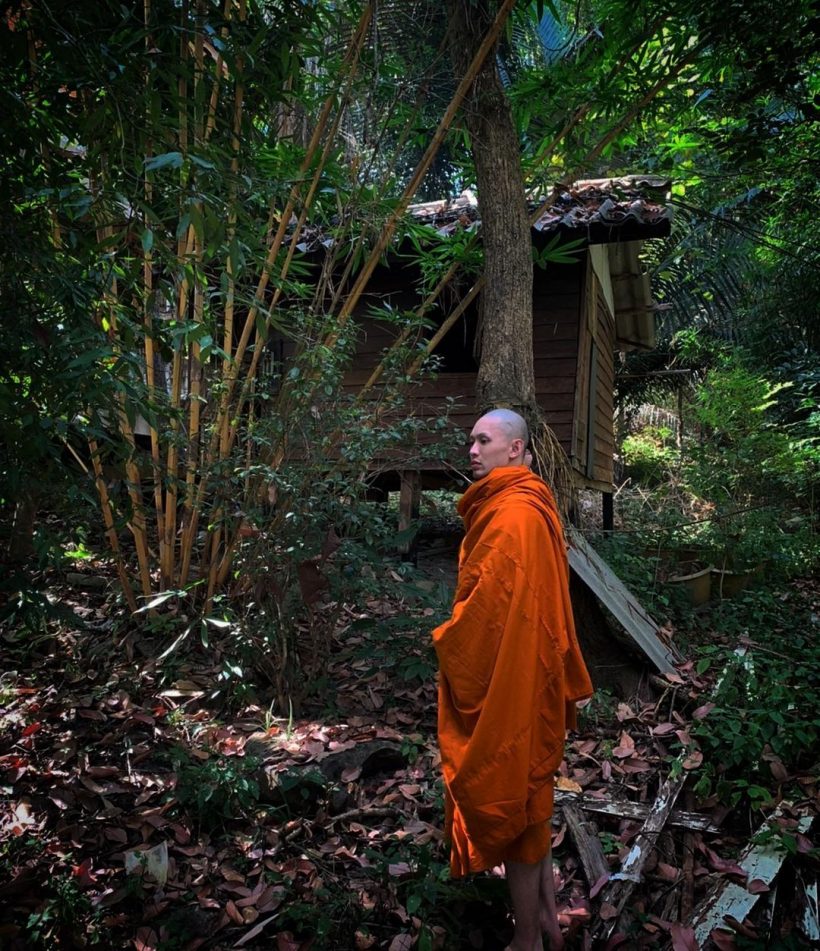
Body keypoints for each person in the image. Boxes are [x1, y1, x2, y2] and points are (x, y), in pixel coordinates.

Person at [432, 408, 593, 951]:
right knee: (533, 801)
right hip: (529, 670)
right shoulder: (523, 505)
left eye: (484, 440)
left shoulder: (516, 516)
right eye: (471, 441)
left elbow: (488, 612)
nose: (472, 450)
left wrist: (451, 636)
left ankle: (526, 940)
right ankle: (546, 921)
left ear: (516, 450)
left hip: (518, 676)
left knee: (522, 807)